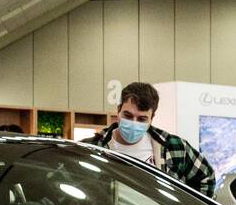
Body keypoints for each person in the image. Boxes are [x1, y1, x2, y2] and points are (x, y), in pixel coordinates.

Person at [84, 82, 216, 196]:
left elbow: (206, 177)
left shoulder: (173, 146)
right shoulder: (93, 148)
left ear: (152, 117)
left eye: (142, 119)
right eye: (128, 115)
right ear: (118, 110)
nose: (133, 123)